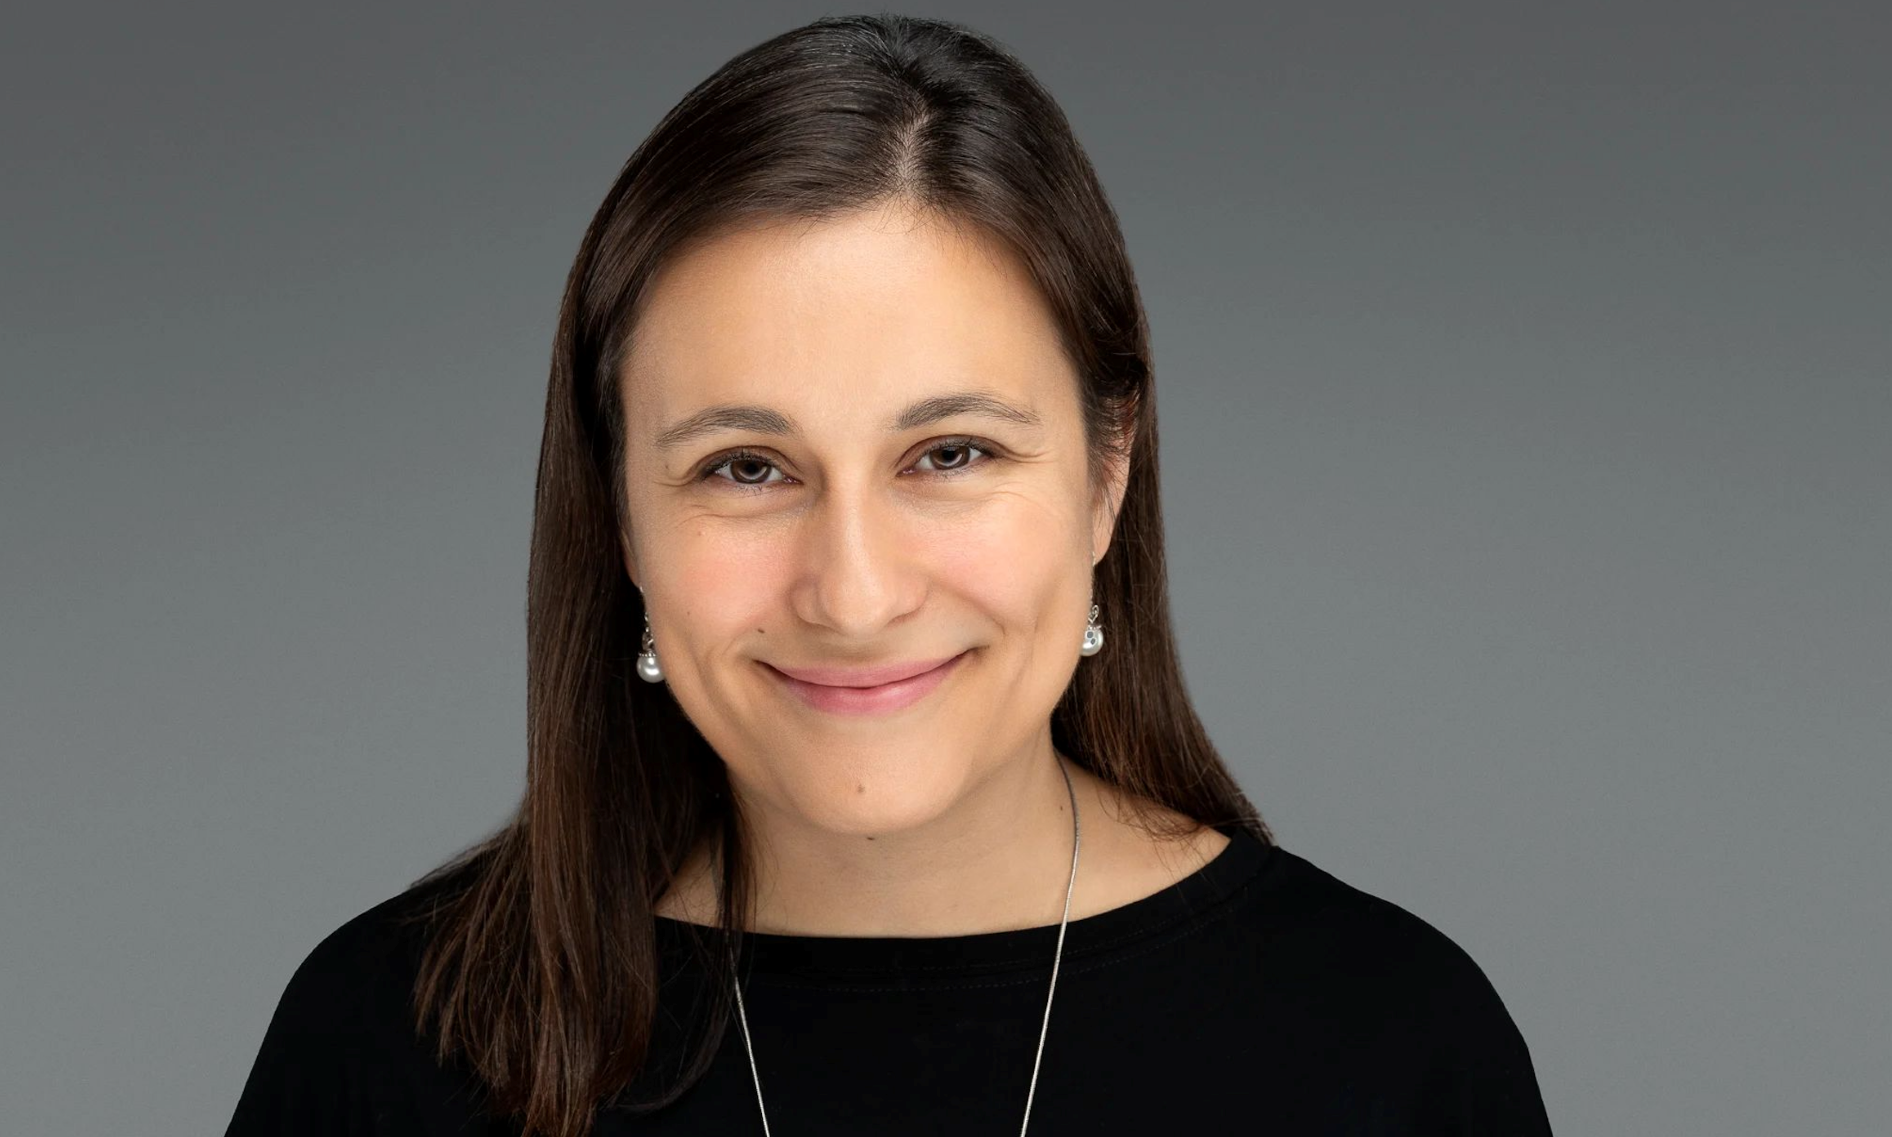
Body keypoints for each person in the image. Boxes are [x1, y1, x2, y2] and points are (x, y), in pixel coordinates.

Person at [225, 13, 1551, 1136]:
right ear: (619, 518)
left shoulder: (1391, 1048)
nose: (853, 596)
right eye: (748, 468)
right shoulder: (389, 1047)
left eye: (950, 452)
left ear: (1107, 473)